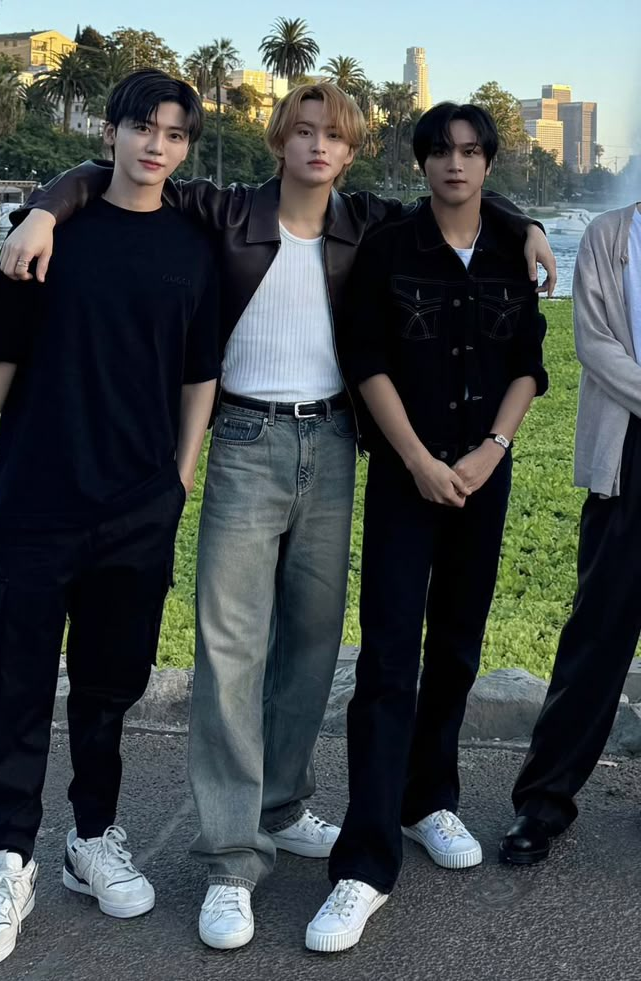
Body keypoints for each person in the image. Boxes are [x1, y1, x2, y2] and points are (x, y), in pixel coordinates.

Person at [0, 82, 556, 951]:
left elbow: (456, 188)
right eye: (303, 132)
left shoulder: (364, 221)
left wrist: (527, 225)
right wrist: (41, 208)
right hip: (248, 442)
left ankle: (280, 800)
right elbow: (115, 173)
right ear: (278, 139)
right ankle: (229, 857)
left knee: (309, 643)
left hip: (333, 445)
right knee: (230, 650)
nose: (318, 148)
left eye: (334, 136)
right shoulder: (224, 209)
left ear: (352, 148)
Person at [0, 69, 219, 970]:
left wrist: (180, 474)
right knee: (13, 686)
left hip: (138, 507)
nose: (155, 145)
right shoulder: (47, 232)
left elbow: (197, 372)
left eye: (173, 133)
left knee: (108, 687)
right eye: (142, 127)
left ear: (185, 148)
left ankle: (93, 838)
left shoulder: (195, 243)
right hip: (38, 499)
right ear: (113, 131)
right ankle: (6, 856)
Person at [305, 102, 548, 953]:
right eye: (442, 151)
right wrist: (412, 456)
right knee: (386, 659)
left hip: (486, 472)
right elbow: (363, 356)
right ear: (421, 163)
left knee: (456, 645)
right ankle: (363, 862)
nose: (456, 164)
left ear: (487, 164)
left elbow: (529, 363)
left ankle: (426, 799)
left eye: (472, 152)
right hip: (408, 478)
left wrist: (492, 450)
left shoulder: (514, 251)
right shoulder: (389, 248)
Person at [499, 200, 641, 866]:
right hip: (628, 453)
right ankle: (543, 800)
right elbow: (594, 343)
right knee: (599, 628)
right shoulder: (611, 236)